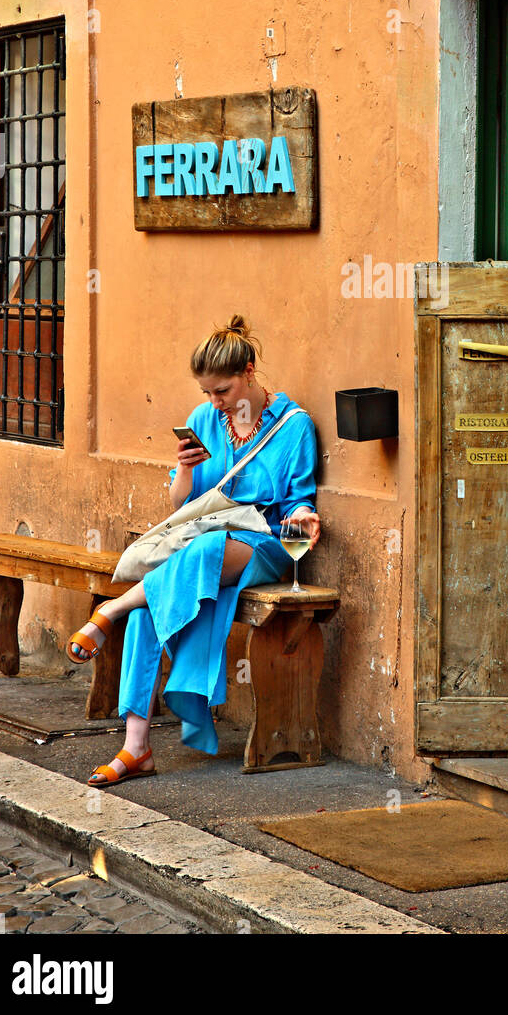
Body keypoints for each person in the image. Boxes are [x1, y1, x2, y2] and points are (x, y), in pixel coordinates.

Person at [65, 315, 321, 786]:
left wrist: (305, 516)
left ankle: (112, 609)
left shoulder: (294, 427)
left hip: (262, 544)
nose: (212, 402)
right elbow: (182, 504)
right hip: (201, 541)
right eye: (206, 392)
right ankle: (135, 747)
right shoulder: (204, 421)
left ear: (248, 370)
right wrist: (182, 471)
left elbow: (298, 497)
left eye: (220, 390)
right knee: (151, 608)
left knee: (198, 556)